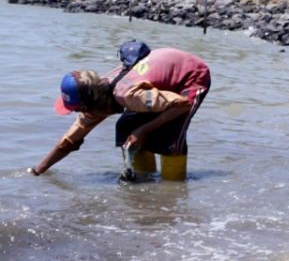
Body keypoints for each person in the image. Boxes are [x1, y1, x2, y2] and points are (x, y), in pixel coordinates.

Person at [29, 47, 212, 176]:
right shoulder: (96, 97)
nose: (78, 114)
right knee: (126, 129)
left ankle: (173, 189)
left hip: (189, 75)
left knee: (169, 136)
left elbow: (183, 104)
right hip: (157, 80)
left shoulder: (129, 96)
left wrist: (143, 130)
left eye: (77, 109)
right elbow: (68, 141)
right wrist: (38, 170)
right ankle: (146, 180)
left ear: (88, 104)